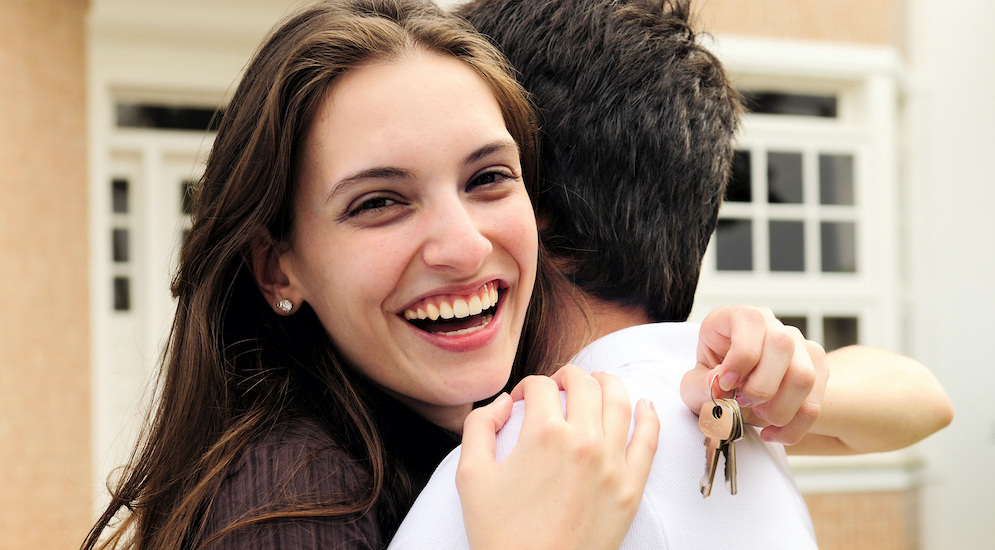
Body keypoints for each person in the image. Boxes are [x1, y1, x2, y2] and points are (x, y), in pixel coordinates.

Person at [81, 1, 834, 548]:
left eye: (487, 179)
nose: (463, 246)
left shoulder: (471, 428)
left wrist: (773, 364)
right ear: (281, 266)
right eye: (379, 202)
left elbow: (921, 400)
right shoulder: (290, 501)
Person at [387, 0, 953, 547]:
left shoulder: (501, 475)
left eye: (481, 178)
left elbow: (927, 401)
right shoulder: (716, 414)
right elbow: (926, 400)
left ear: (529, 195)